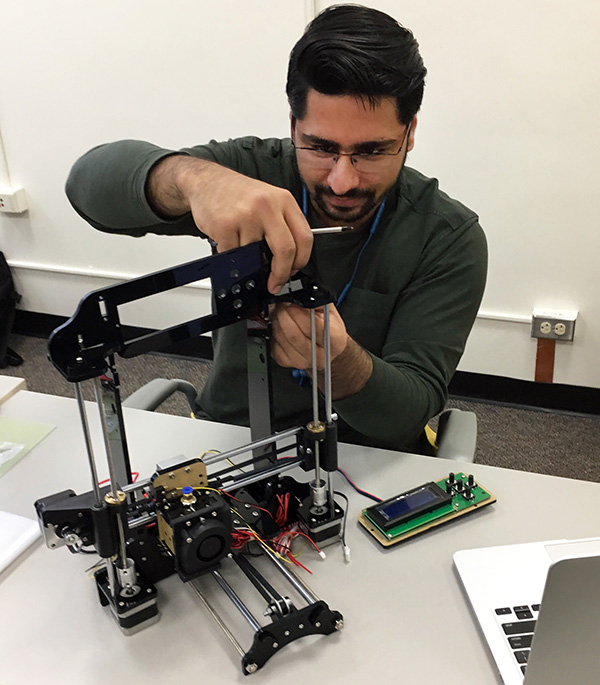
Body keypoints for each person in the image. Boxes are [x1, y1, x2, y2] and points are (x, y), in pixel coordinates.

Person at [65, 4, 487, 455]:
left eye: (373, 151)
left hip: (367, 456)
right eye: (321, 147)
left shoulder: (447, 237)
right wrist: (193, 180)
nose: (342, 180)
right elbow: (86, 186)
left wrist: (337, 363)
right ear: (293, 127)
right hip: (233, 442)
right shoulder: (250, 174)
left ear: (410, 133)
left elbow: (410, 411)